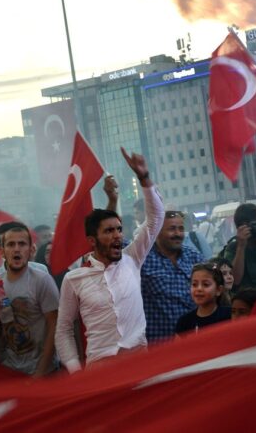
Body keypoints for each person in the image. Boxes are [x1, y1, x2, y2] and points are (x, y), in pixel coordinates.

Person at [55, 148, 164, 373]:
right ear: (92, 241)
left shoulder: (132, 259)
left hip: (140, 362)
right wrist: (77, 373)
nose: (117, 235)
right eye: (109, 231)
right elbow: (63, 330)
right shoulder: (74, 279)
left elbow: (155, 220)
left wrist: (144, 178)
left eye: (119, 229)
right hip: (100, 370)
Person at [0, 222, 60, 377]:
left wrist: (41, 371)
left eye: (22, 244)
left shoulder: (42, 279)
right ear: (2, 251)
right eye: (11, 244)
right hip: (9, 370)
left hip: (45, 372)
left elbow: (54, 326)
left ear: (31, 250)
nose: (16, 249)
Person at [141, 210, 205, 342]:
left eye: (181, 229)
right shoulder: (142, 259)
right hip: (158, 345)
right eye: (172, 229)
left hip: (192, 341)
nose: (178, 234)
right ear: (157, 231)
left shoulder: (194, 257)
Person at [175, 263, 231, 335]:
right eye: (194, 284)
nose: (199, 289)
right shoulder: (184, 322)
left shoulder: (229, 316)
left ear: (218, 290)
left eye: (206, 284)